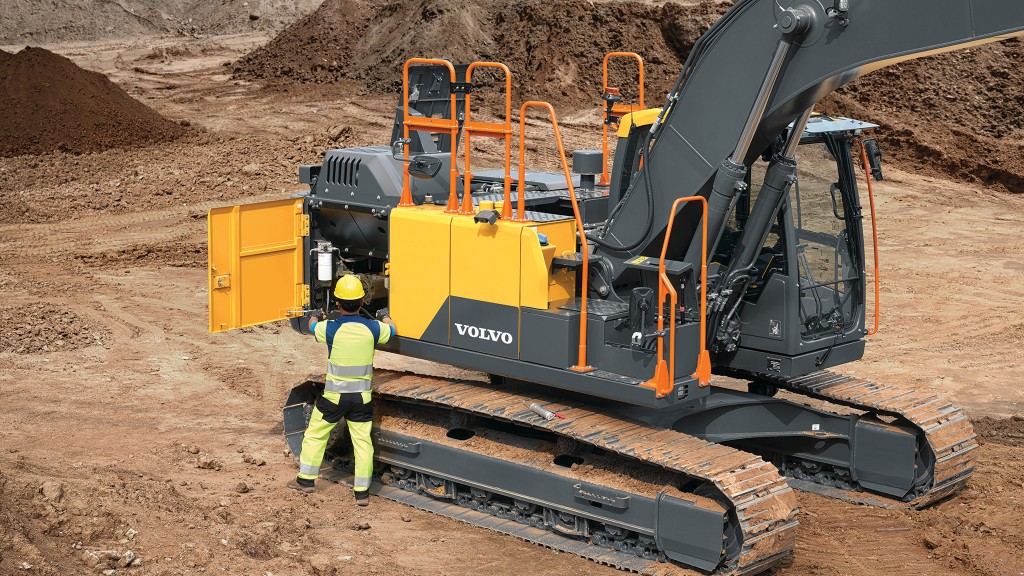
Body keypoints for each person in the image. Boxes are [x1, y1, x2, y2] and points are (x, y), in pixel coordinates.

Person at [287, 274, 395, 506]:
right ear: (362, 301)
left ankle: (306, 480)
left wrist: (315, 315)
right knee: (363, 444)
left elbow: (313, 327)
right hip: (361, 400)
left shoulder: (330, 329)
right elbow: (392, 330)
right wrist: (385, 316)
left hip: (334, 398)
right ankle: (362, 493)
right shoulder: (373, 329)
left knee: (316, 435)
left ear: (337, 303)